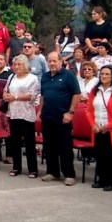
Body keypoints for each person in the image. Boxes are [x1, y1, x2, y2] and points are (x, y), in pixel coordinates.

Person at [38, 52, 81, 186]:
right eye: (49, 61)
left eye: (54, 61)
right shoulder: (45, 76)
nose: (52, 63)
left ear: (61, 61)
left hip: (63, 117)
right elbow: (43, 95)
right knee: (49, 146)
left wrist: (70, 112)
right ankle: (52, 172)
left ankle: (69, 174)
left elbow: (76, 94)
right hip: (47, 116)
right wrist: (40, 109)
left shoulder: (68, 75)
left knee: (65, 147)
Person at [86, 65, 112, 191]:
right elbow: (88, 111)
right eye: (102, 74)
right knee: (100, 155)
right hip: (98, 128)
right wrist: (92, 125)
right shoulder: (95, 90)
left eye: (106, 74)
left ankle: (111, 182)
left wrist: (108, 126)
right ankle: (101, 179)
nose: (103, 76)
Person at [3, 55, 41, 177]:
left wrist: (15, 97)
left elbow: (31, 95)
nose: (16, 67)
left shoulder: (33, 78)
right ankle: (16, 167)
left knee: (29, 143)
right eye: (15, 64)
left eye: (19, 64)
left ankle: (33, 169)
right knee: (15, 142)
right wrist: (6, 96)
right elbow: (6, 90)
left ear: (25, 65)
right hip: (13, 112)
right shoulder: (11, 77)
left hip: (26, 113)